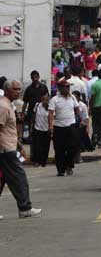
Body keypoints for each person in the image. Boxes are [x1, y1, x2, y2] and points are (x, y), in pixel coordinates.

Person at [0, 80, 42, 218]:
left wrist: (19, 145)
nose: (18, 91)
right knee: (19, 178)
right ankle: (25, 208)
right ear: (7, 90)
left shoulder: (8, 105)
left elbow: (10, 130)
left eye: (19, 89)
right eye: (15, 89)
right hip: (6, 150)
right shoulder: (3, 106)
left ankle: (24, 207)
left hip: (10, 147)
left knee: (3, 179)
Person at [48, 78, 81, 176]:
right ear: (60, 88)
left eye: (68, 87)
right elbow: (50, 113)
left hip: (71, 125)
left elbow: (77, 109)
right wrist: (51, 126)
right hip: (59, 127)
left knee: (73, 147)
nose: (67, 89)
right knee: (59, 149)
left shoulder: (72, 98)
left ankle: (69, 164)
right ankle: (61, 169)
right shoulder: (55, 99)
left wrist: (82, 119)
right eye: (65, 87)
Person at [21, 71, 49, 144]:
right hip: (31, 112)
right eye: (33, 77)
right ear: (31, 78)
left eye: (36, 77)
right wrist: (23, 113)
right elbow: (25, 102)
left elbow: (48, 99)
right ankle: (33, 145)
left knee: (42, 128)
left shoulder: (44, 87)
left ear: (39, 77)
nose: (35, 79)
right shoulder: (28, 89)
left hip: (42, 112)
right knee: (32, 128)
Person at [31, 94, 51, 167]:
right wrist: (31, 127)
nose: (45, 101)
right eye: (43, 100)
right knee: (37, 147)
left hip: (47, 130)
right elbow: (33, 116)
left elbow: (52, 118)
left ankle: (43, 162)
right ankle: (37, 161)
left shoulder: (51, 108)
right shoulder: (37, 105)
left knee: (45, 147)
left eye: (47, 100)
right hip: (37, 129)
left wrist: (51, 128)